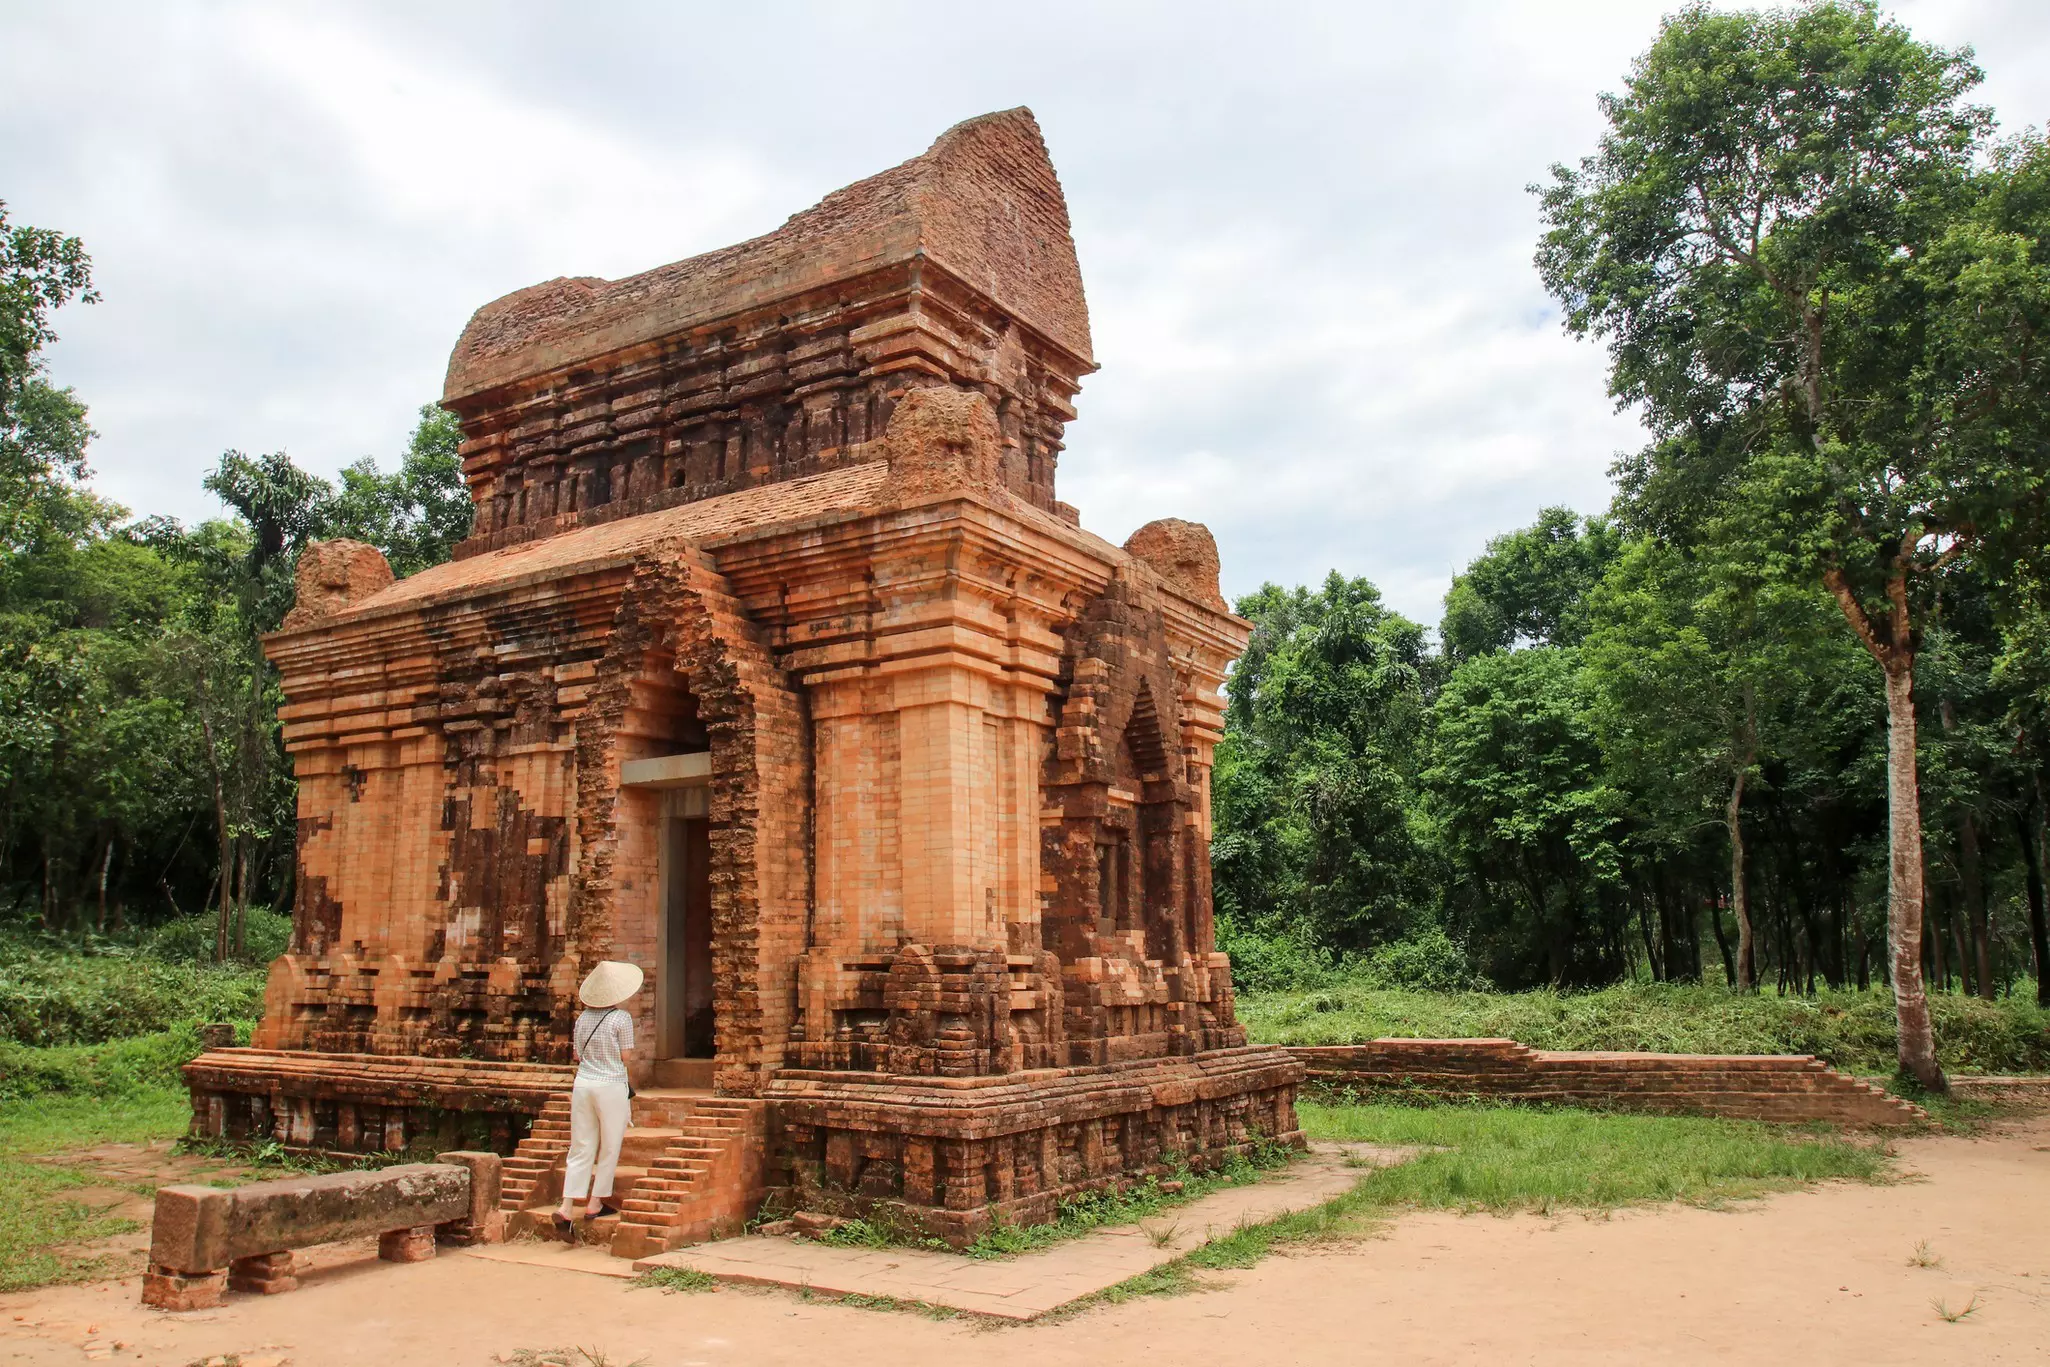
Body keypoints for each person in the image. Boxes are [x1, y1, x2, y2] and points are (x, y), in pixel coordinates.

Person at [554, 960, 642, 1243]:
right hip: (611, 1085)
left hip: (583, 1085)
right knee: (609, 1145)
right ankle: (595, 1202)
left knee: (580, 1147)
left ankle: (567, 1207)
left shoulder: (582, 1019)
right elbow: (626, 1056)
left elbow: (577, 1055)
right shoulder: (621, 1018)